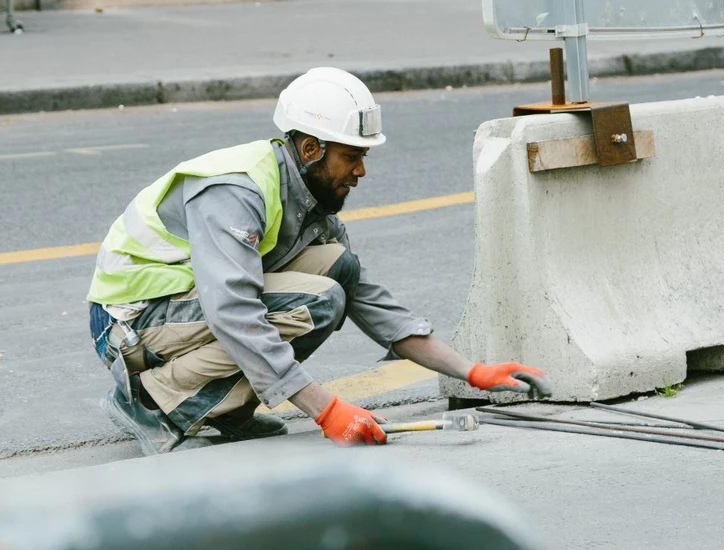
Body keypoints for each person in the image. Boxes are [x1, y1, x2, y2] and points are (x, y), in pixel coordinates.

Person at [86, 67, 551, 455]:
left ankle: (225, 411)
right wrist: (325, 409)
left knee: (338, 270)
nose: (361, 171)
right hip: (130, 323)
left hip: (179, 312)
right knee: (319, 301)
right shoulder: (236, 190)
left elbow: (371, 301)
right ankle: (150, 403)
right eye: (352, 157)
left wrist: (471, 371)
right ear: (311, 149)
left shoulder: (310, 199)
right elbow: (233, 310)